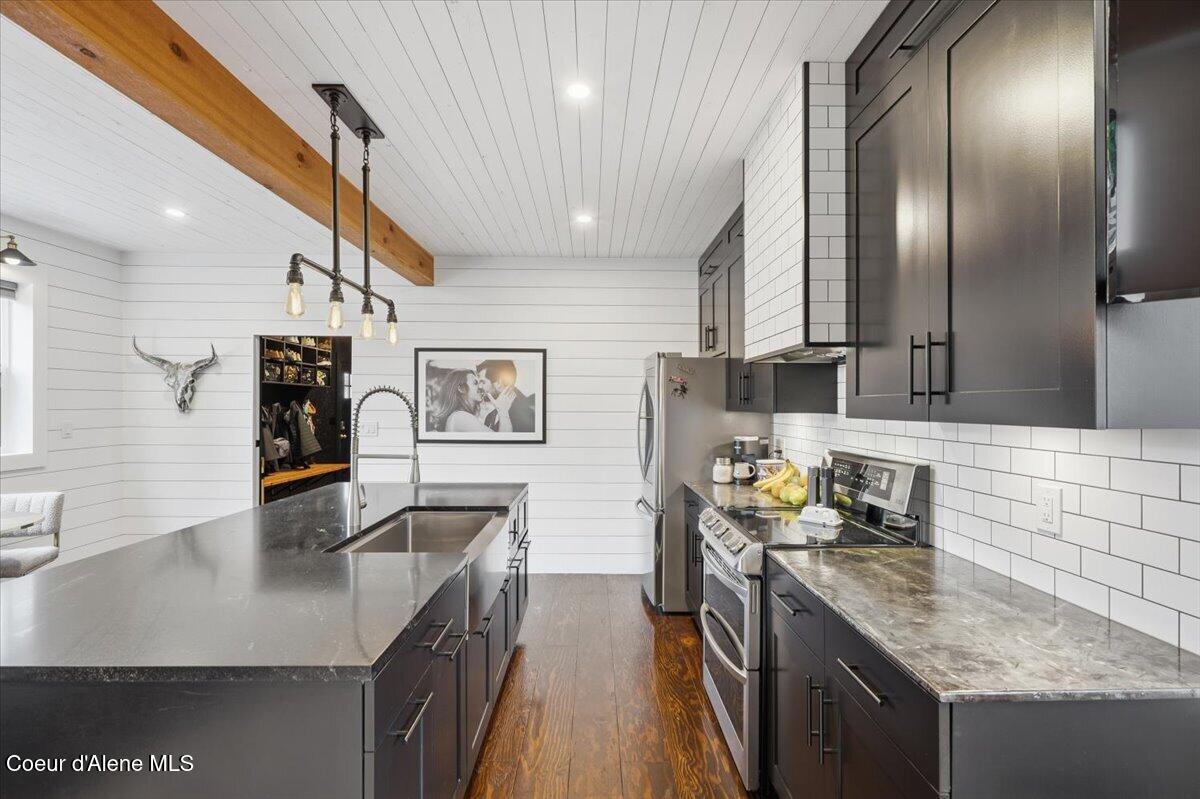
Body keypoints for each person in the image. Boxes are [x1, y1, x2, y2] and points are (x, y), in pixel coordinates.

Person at [427, 368, 516, 433]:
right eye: (475, 383)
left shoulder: (458, 416)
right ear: (462, 389)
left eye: (481, 382)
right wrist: (503, 411)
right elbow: (501, 443)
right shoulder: (460, 417)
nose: (480, 387)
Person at [476, 360, 536, 433]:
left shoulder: (527, 416)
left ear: (498, 383)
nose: (479, 386)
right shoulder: (490, 416)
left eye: (482, 382)